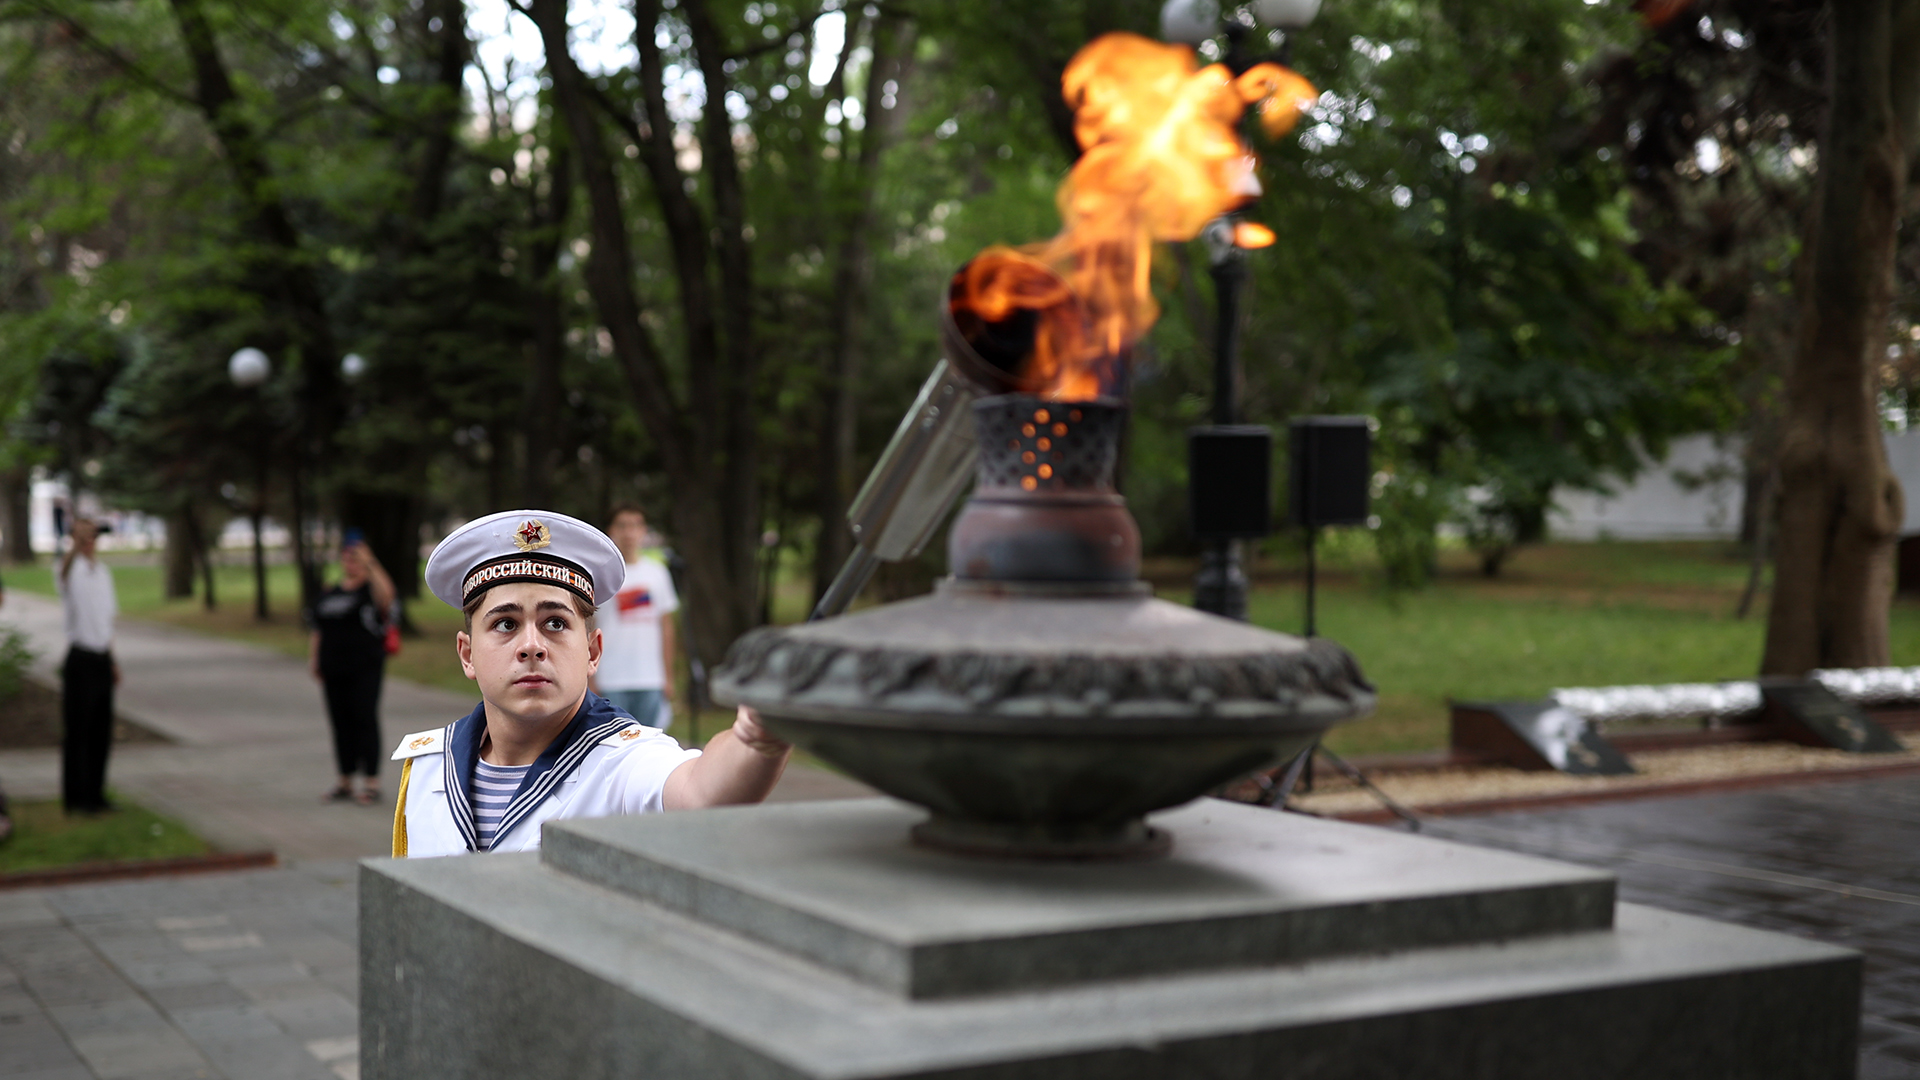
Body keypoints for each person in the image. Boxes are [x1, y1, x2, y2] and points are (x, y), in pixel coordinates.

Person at [390, 510, 789, 857]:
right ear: (467, 654)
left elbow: (701, 792)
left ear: (593, 651)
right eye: (505, 624)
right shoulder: (429, 767)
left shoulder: (623, 763)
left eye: (556, 623)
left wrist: (756, 737)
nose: (532, 646)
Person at [309, 532, 397, 806]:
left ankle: (371, 781)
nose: (352, 563)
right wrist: (314, 660)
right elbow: (318, 629)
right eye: (348, 558)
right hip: (333, 667)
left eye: (357, 558)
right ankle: (345, 779)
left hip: (365, 667)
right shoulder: (330, 592)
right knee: (340, 723)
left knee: (364, 719)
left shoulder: (370, 591)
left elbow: (388, 596)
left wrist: (371, 563)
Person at [591, 505, 679, 728]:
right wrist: (590, 677)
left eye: (635, 525)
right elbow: (588, 626)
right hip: (611, 678)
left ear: (644, 531)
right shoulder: (600, 574)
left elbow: (666, 627)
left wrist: (668, 677)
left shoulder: (657, 572)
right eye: (622, 526)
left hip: (650, 679)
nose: (629, 533)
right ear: (611, 530)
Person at [57, 518, 117, 814]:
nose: (91, 542)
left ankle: (96, 793)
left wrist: (113, 660)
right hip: (80, 657)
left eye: (93, 537)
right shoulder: (71, 569)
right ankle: (75, 798)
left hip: (102, 656)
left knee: (101, 730)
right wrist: (75, 545)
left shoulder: (102, 572)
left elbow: (107, 622)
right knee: (78, 730)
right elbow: (65, 571)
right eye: (85, 538)